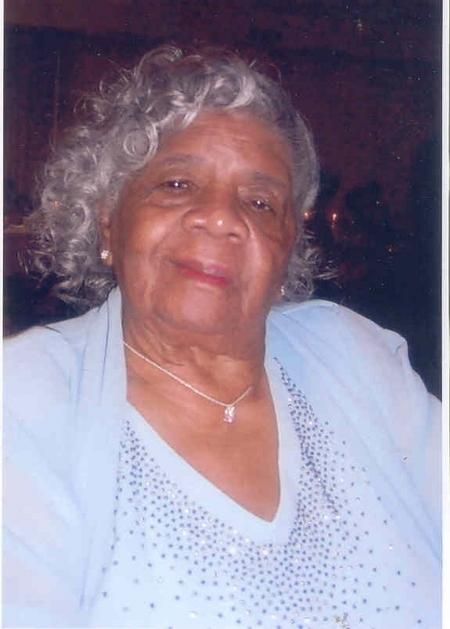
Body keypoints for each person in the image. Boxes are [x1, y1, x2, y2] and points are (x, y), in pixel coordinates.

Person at [3, 46, 441, 628]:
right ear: (109, 220)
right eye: (177, 183)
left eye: (259, 202)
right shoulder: (25, 400)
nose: (221, 217)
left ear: (288, 246)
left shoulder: (355, 356)